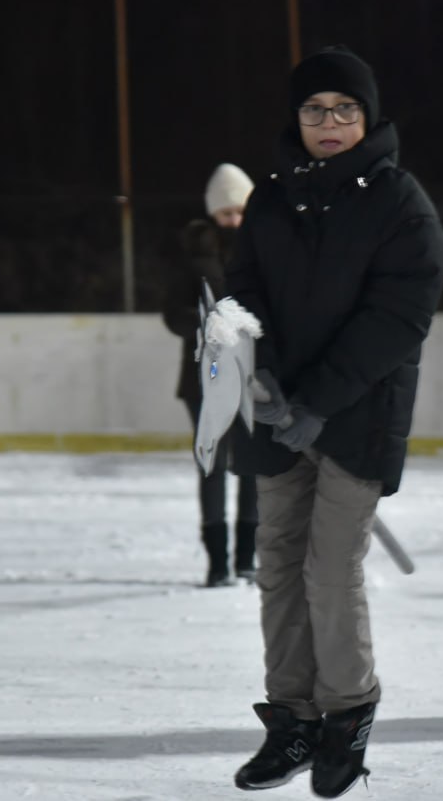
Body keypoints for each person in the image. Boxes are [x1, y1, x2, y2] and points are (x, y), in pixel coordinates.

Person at [224, 46, 443, 797]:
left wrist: (316, 399)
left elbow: (398, 317)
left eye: (345, 110)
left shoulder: (400, 202)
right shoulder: (270, 199)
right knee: (278, 568)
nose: (330, 123)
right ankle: (291, 720)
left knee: (329, 571)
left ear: (368, 118)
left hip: (354, 419)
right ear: (296, 119)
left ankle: (346, 717)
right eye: (315, 110)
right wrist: (257, 369)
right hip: (274, 413)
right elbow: (243, 288)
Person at [163, 163, 259, 587]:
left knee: (253, 466)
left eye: (240, 212)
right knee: (213, 465)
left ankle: (246, 559)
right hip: (205, 377)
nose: (234, 222)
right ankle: (218, 563)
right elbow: (172, 313)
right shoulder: (192, 257)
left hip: (255, 377)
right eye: (226, 214)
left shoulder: (267, 251)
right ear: (212, 214)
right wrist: (208, 326)